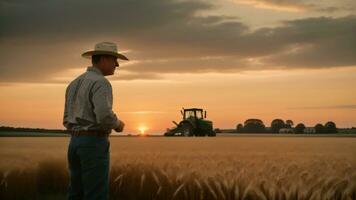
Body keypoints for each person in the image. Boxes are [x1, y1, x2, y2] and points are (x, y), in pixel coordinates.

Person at [63, 42, 128, 200]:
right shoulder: (101, 83)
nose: (117, 65)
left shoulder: (74, 83)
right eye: (114, 60)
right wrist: (118, 125)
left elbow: (66, 117)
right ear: (104, 59)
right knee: (96, 194)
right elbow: (104, 116)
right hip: (93, 142)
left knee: (76, 193)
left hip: (74, 143)